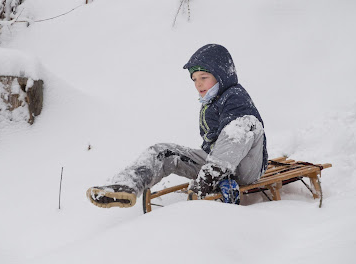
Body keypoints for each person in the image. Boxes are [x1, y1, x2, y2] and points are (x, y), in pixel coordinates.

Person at [86, 44, 268, 208]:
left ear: (222, 75)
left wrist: (209, 175)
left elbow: (237, 138)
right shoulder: (210, 102)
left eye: (204, 77)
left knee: (244, 123)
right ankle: (126, 185)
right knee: (163, 151)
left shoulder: (234, 95)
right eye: (194, 79)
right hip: (213, 163)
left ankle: (213, 174)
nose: (198, 84)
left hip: (247, 166)